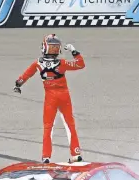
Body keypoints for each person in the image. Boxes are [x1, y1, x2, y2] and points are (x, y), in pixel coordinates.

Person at [13, 34, 85, 164]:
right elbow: (80, 64)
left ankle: (46, 157)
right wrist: (74, 51)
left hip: (50, 97)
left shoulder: (37, 63)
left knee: (48, 127)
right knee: (70, 125)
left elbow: (25, 76)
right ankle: (75, 153)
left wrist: (18, 83)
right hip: (64, 96)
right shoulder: (62, 63)